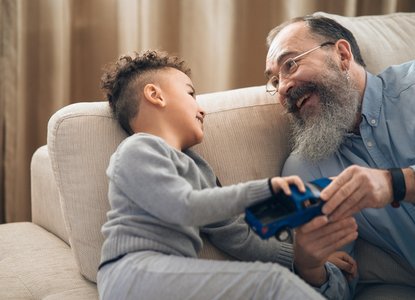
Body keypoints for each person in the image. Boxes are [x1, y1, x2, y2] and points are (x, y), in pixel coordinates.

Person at [97, 50, 357, 299]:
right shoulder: (138, 149)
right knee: (272, 282)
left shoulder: (196, 167)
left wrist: (298, 258)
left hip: (172, 276)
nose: (202, 110)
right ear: (155, 95)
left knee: (275, 281)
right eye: (191, 94)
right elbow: (184, 207)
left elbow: (235, 233)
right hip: (132, 275)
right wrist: (266, 189)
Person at [264, 15, 415, 298]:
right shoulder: (306, 168)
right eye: (274, 80)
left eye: (291, 64)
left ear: (342, 55)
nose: (282, 88)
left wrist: (397, 183)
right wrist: (309, 268)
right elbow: (339, 284)